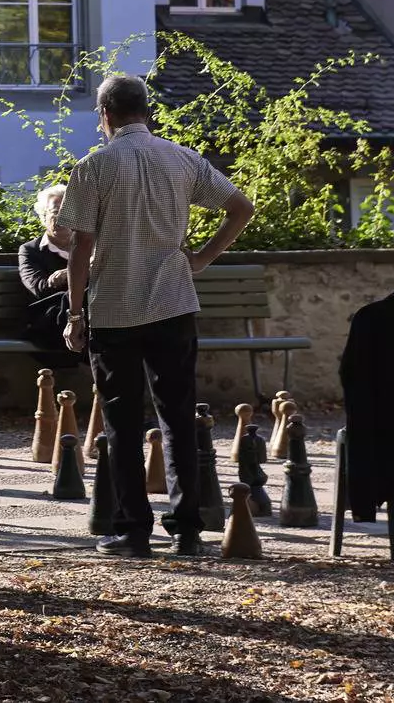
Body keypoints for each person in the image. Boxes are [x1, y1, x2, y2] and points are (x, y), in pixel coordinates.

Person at [58, 73, 255, 560]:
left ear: (104, 114)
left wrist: (75, 313)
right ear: (147, 111)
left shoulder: (94, 166)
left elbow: (79, 244)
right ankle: (187, 528)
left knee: (122, 422)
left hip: (115, 306)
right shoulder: (183, 159)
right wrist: (203, 258)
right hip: (173, 302)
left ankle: (132, 530)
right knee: (178, 416)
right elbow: (241, 207)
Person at [17, 184, 74, 349]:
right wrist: (76, 273)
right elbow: (39, 288)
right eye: (56, 212)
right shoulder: (31, 250)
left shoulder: (88, 246)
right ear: (43, 216)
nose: (62, 218)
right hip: (51, 319)